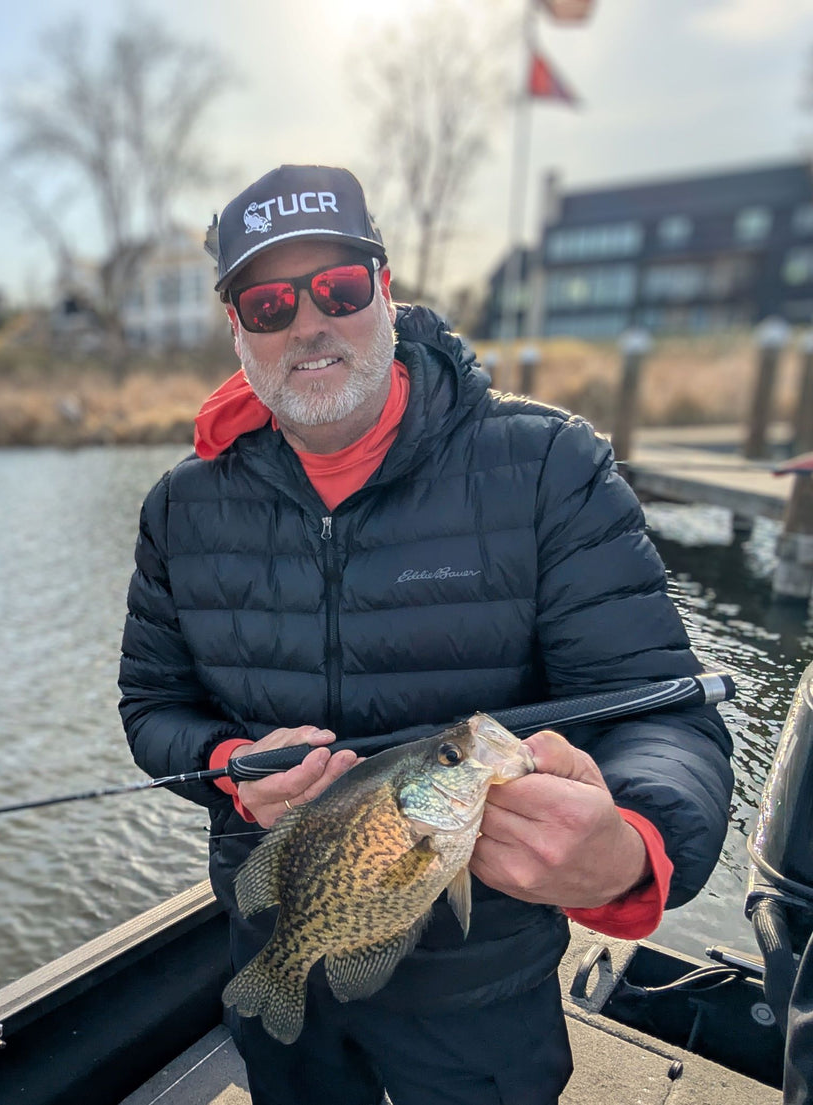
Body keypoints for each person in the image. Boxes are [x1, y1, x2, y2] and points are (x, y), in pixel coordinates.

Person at [118, 164, 734, 1105]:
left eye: (337, 287)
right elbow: (153, 708)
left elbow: (666, 714)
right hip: (286, 945)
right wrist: (229, 764)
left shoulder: (550, 467)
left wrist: (632, 846)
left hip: (482, 989)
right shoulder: (179, 508)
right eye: (270, 303)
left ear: (386, 289)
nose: (308, 323)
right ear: (236, 328)